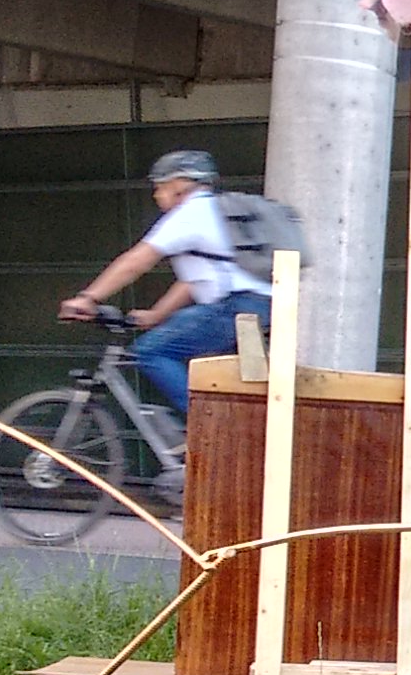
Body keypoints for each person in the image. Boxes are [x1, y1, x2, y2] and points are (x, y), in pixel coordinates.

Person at [59, 148, 274, 456]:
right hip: (259, 309)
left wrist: (88, 298)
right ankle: (228, 438)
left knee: (150, 351)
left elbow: (136, 261)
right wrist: (156, 314)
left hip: (237, 309)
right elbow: (193, 279)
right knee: (220, 376)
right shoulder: (220, 211)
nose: (157, 195)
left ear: (179, 185)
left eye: (160, 187)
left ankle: (211, 429)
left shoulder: (189, 214)